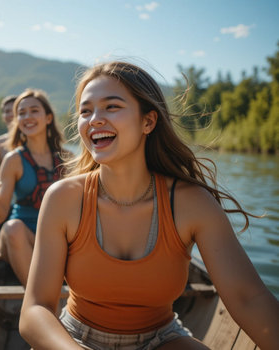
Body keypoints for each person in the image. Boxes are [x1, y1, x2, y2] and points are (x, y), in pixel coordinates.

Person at [20, 61, 279, 349]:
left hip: (162, 341)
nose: (94, 119)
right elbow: (34, 311)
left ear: (148, 122)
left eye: (112, 106)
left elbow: (248, 298)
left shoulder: (191, 203)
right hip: (74, 339)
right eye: (85, 110)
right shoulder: (63, 198)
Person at [0, 88, 68, 287]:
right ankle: (40, 303)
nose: (27, 117)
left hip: (53, 238)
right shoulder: (14, 159)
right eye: (21, 113)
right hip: (18, 237)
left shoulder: (66, 159)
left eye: (33, 111)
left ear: (48, 118)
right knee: (13, 228)